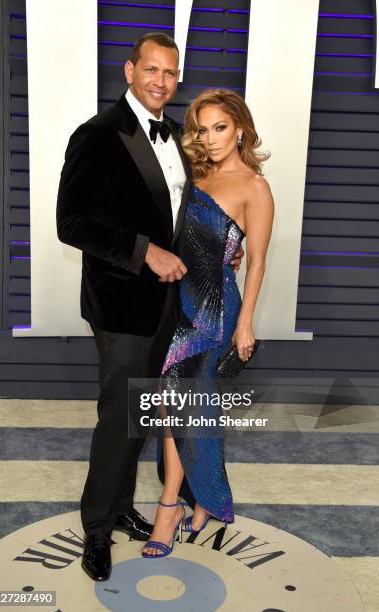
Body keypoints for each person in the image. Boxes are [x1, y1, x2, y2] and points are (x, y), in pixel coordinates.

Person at [56, 34, 242, 581]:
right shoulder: (97, 135)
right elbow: (73, 224)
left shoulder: (182, 137)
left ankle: (121, 507)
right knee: (119, 417)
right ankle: (96, 528)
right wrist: (144, 253)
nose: (161, 81)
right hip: (122, 304)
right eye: (151, 70)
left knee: (146, 415)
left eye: (170, 73)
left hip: (175, 306)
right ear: (130, 69)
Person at [141, 89, 274, 558]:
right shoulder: (192, 172)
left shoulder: (254, 187)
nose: (211, 138)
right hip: (177, 301)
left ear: (240, 128)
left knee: (175, 401)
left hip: (216, 309)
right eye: (202, 128)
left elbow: (255, 260)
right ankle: (198, 501)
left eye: (221, 127)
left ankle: (169, 506)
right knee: (178, 405)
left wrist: (246, 323)